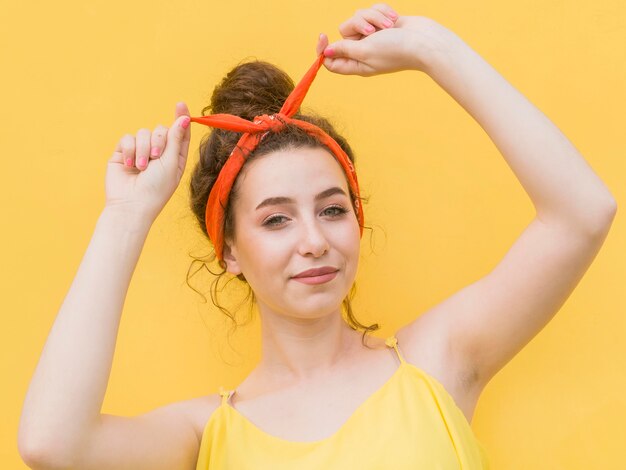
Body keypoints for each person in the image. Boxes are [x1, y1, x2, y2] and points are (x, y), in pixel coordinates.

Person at [18, 3, 617, 470]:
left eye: (332, 210)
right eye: (276, 219)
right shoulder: (205, 435)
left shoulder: (440, 362)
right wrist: (124, 215)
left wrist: (433, 47)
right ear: (229, 251)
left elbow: (583, 212)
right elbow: (51, 444)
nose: (314, 241)